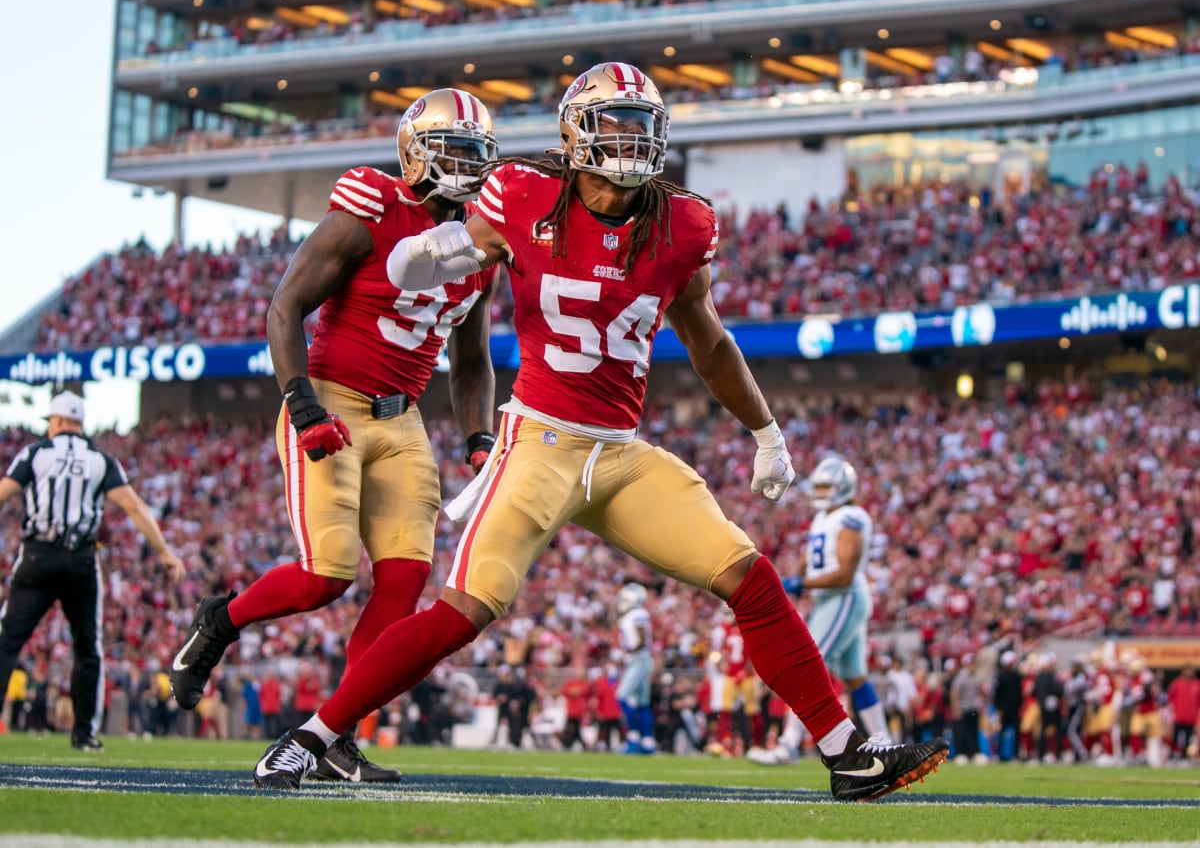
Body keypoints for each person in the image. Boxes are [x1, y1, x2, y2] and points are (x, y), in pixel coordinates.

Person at [251, 61, 949, 799]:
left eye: (642, 124)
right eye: (614, 122)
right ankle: (310, 739)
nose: (630, 139)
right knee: (463, 612)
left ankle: (847, 755)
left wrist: (765, 430)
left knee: (750, 577)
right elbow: (445, 254)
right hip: (538, 444)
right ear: (575, 132)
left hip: (619, 453)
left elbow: (709, 342)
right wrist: (436, 251)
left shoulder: (683, 223)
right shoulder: (519, 194)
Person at [168, 88, 500, 783]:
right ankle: (222, 619)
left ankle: (334, 735)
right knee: (328, 574)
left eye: (476, 154)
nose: (466, 168)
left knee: (405, 582)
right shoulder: (372, 207)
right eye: (453, 151)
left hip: (403, 417)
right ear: (415, 154)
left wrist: (477, 437)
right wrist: (304, 406)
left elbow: (471, 360)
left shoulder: (480, 247)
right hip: (332, 400)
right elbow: (284, 305)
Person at [0, 391, 185, 751]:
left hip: (38, 555)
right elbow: (133, 505)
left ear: (54, 422)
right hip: (80, 561)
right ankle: (84, 733)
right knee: (88, 648)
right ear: (79, 424)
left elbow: (5, 492)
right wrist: (164, 553)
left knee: (7, 641)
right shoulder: (101, 460)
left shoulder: (36, 454)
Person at [754, 457, 890, 766]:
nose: (821, 491)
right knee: (855, 677)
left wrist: (803, 582)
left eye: (827, 486)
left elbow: (844, 573)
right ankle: (884, 740)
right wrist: (792, 579)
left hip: (843, 596)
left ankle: (788, 744)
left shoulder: (852, 517)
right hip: (831, 599)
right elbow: (809, 560)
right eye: (818, 486)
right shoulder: (823, 518)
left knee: (806, 666)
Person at [614, 582, 656, 755]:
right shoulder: (633, 614)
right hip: (639, 660)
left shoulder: (637, 614)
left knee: (622, 696)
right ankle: (648, 741)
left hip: (638, 660)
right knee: (642, 703)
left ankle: (633, 737)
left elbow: (641, 637)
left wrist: (627, 653)